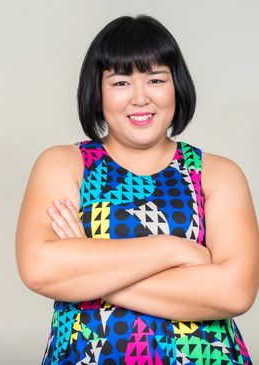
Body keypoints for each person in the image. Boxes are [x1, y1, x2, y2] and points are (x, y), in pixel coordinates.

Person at [15, 14, 259, 364]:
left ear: (176, 86)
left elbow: (235, 292)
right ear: (97, 91)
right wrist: (175, 250)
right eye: (121, 83)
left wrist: (88, 268)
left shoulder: (217, 174)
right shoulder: (65, 165)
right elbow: (39, 268)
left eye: (156, 79)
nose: (141, 98)